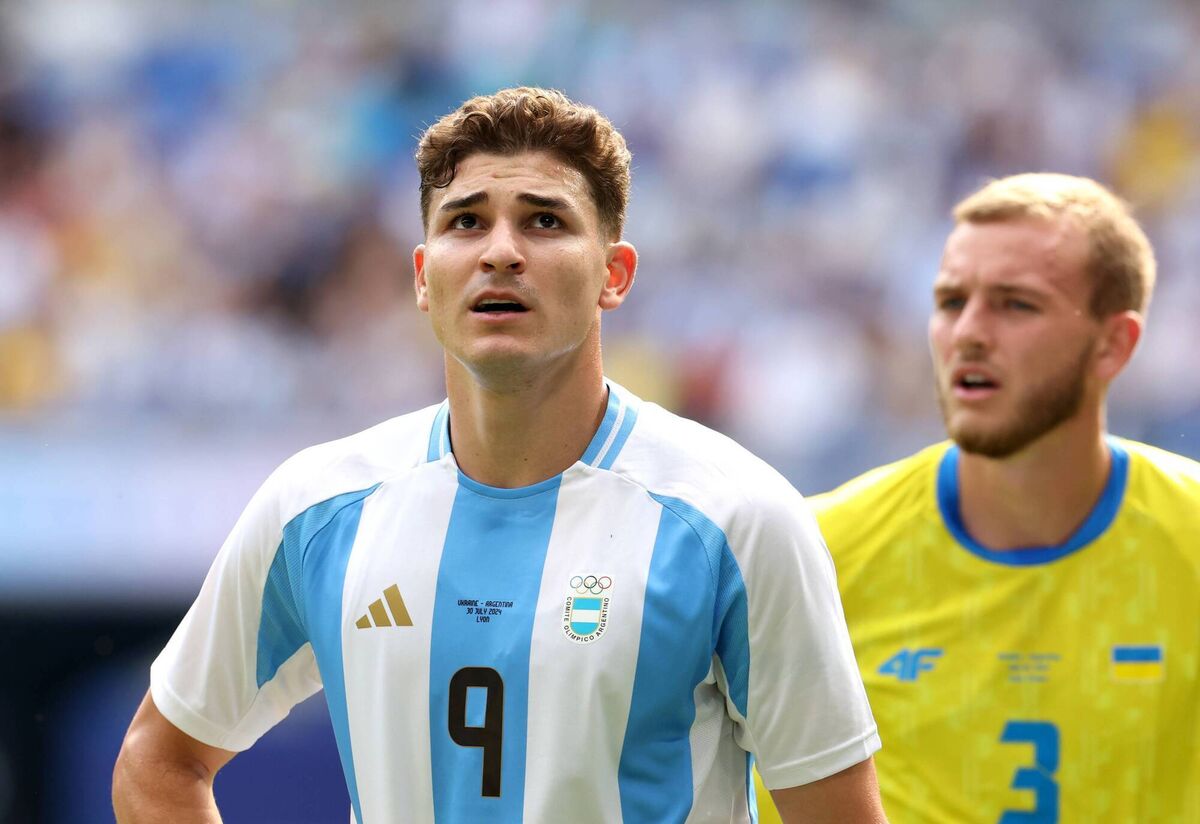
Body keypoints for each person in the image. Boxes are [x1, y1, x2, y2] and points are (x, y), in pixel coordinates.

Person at [112, 87, 887, 824]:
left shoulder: (736, 517)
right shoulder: (317, 508)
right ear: (424, 278)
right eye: (465, 222)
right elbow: (159, 760)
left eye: (545, 221)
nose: (501, 252)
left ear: (613, 276)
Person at [757, 172, 1200, 823]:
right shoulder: (813, 554)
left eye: (1016, 304)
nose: (968, 332)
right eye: (950, 301)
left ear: (1114, 344)